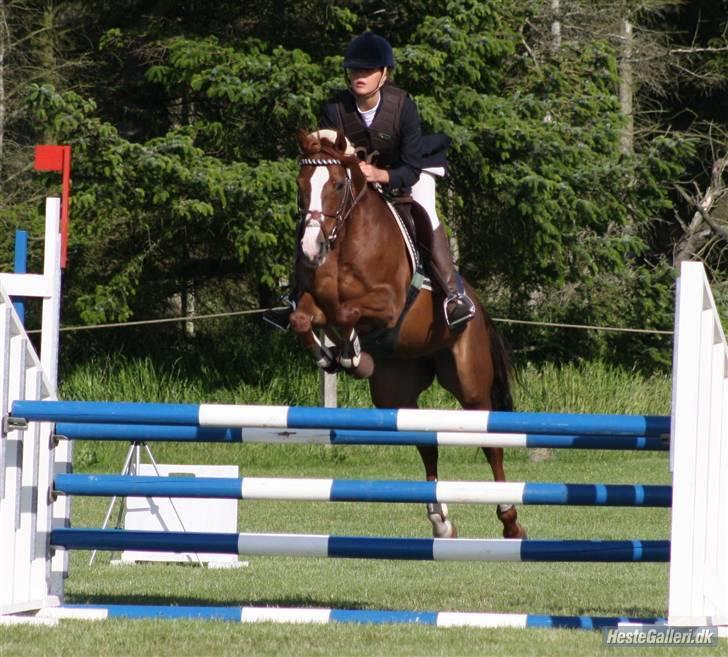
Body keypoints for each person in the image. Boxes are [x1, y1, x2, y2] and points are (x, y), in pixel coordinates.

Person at [263, 31, 475, 332]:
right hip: (356, 177)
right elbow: (329, 156)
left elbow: (412, 166)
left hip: (406, 172)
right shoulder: (334, 108)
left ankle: (452, 295)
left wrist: (383, 175)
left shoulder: (403, 106)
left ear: (384, 74)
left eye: (367, 70)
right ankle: (295, 294)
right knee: (315, 215)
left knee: (426, 208)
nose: (359, 76)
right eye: (354, 70)